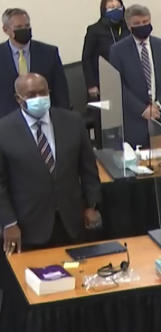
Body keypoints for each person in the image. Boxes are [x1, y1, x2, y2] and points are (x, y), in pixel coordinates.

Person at [0, 74, 101, 253]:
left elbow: (88, 169)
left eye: (43, 93)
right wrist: (9, 223)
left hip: (71, 222)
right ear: (18, 99)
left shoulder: (73, 121)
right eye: (31, 95)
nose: (38, 98)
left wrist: (91, 205)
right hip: (28, 228)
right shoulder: (4, 131)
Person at [108, 4, 161, 148]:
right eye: (137, 23)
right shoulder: (118, 50)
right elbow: (117, 86)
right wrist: (142, 109)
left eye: (145, 22)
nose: (142, 26)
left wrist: (158, 104)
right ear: (129, 25)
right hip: (134, 122)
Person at [0, 8, 69, 117]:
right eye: (18, 27)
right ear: (6, 29)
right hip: (8, 120)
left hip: (45, 116)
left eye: (27, 26)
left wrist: (63, 117)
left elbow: (61, 91)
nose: (24, 29)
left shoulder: (49, 53)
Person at [82, 0, 130, 99]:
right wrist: (91, 85)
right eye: (111, 8)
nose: (116, 10)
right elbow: (86, 58)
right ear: (104, 10)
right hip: (103, 81)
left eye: (118, 7)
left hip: (127, 80)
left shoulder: (128, 28)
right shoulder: (94, 30)